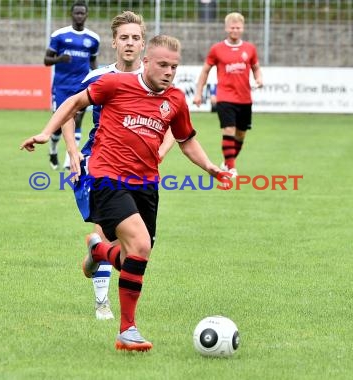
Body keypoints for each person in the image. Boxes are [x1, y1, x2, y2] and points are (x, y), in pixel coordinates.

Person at [20, 35, 223, 352]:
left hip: (146, 184)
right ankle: (127, 331)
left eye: (174, 66)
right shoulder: (114, 84)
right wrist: (47, 132)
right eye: (162, 64)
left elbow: (185, 140)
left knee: (132, 258)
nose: (169, 71)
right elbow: (73, 103)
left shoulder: (176, 100)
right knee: (140, 245)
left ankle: (98, 250)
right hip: (107, 178)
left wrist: (210, 166)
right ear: (146, 61)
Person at [73, 11, 174, 321]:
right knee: (106, 228)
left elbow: (173, 122)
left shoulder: (155, 79)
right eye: (124, 38)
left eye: (135, 38)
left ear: (143, 44)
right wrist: (73, 151)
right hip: (100, 162)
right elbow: (71, 110)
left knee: (136, 248)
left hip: (141, 168)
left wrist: (160, 151)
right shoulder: (98, 77)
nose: (130, 43)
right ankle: (103, 303)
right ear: (114, 42)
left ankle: (96, 253)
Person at [193, 12, 263, 177]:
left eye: (238, 27)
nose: (235, 30)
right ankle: (231, 168)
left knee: (240, 134)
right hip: (225, 97)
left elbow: (256, 68)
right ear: (226, 28)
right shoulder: (217, 49)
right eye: (232, 27)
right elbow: (205, 71)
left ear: (242, 28)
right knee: (229, 130)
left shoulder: (250, 49)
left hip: (245, 98)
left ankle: (227, 161)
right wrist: (198, 93)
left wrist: (259, 78)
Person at [44, 0, 99, 170]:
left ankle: (70, 161)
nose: (79, 16)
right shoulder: (59, 36)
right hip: (61, 86)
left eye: (82, 13)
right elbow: (46, 60)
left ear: (86, 15)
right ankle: (53, 150)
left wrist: (96, 79)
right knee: (60, 124)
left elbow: (93, 62)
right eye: (77, 13)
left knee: (78, 120)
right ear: (72, 14)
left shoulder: (93, 39)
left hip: (80, 86)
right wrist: (60, 59)